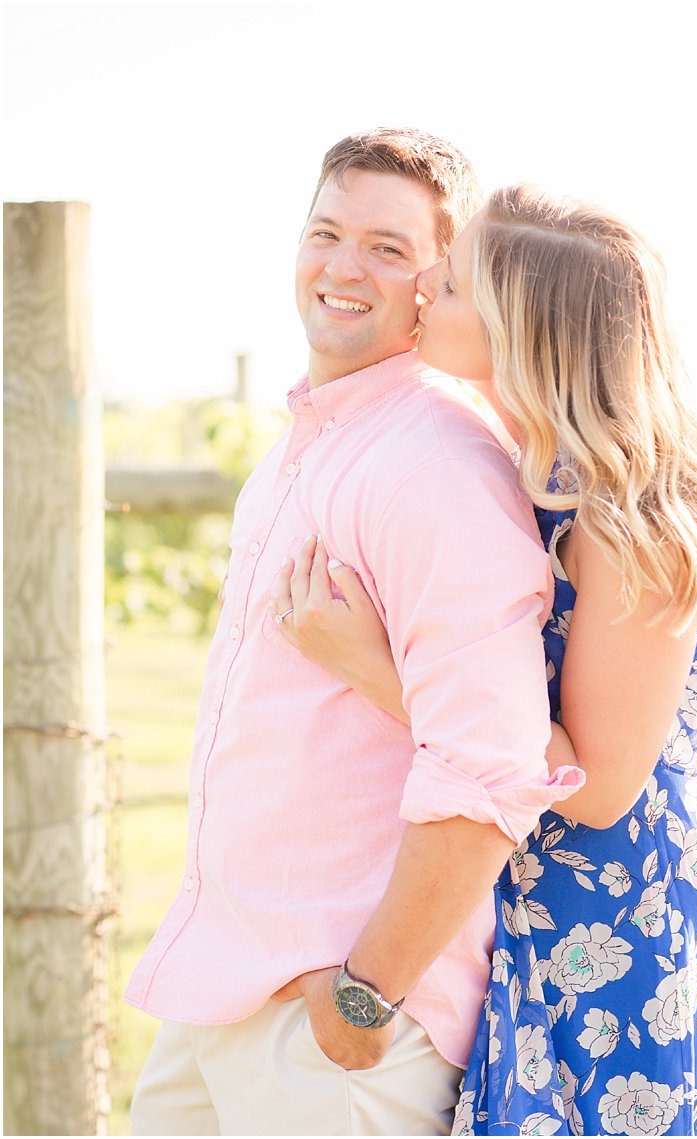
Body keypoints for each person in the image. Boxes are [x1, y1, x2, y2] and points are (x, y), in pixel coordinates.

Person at [272, 184, 697, 1134]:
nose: (420, 294)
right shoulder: (533, 468)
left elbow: (604, 785)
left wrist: (371, 666)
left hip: (620, 926)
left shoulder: (626, 520)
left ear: (517, 331)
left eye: (448, 286)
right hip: (541, 905)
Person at [125, 130, 584, 1136]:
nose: (342, 266)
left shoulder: (436, 464)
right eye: (326, 231)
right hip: (222, 989)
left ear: (442, 277)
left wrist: (365, 992)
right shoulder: (304, 446)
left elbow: (488, 766)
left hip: (335, 1022)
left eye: (387, 246)